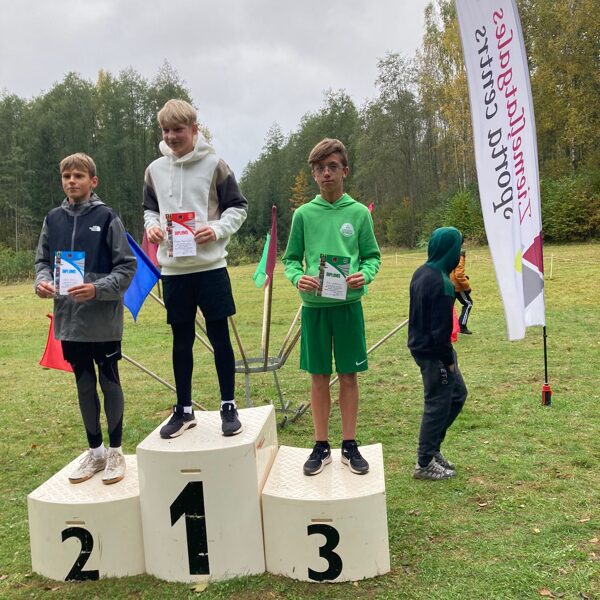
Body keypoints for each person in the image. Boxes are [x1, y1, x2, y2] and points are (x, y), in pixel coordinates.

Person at [143, 99, 248, 439]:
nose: (171, 136)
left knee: (220, 337)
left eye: (178, 130)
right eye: (166, 130)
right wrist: (152, 227)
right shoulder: (154, 170)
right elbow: (150, 210)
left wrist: (216, 230)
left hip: (210, 267)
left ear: (194, 129)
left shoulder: (215, 164)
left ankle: (228, 406)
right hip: (174, 270)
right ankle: (184, 410)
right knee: (181, 340)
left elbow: (238, 207)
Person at [35, 153, 136, 484]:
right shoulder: (53, 219)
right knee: (83, 384)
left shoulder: (107, 217)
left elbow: (127, 267)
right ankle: (96, 453)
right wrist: (42, 282)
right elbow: (42, 262)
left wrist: (96, 289)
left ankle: (116, 453)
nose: (71, 181)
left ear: (93, 181)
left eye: (78, 176)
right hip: (70, 321)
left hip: (103, 321)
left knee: (109, 381)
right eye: (66, 176)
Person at [283, 138, 381, 476]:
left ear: (344, 171)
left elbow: (372, 257)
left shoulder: (358, 213)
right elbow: (291, 259)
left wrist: (365, 274)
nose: (326, 173)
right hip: (314, 308)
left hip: (348, 306)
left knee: (349, 375)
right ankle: (321, 445)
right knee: (319, 376)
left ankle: (349, 445)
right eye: (320, 168)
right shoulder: (303, 215)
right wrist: (298, 278)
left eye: (332, 167)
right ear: (313, 174)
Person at [407, 226, 468, 480]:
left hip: (424, 347)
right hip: (434, 354)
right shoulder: (443, 284)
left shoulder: (420, 272)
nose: (460, 254)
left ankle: (432, 449)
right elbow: (440, 332)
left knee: (457, 395)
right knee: (438, 403)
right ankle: (424, 462)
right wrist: (448, 363)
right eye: (458, 249)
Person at [451, 249, 473, 334]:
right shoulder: (460, 257)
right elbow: (459, 274)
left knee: (448, 307)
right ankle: (462, 326)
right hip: (457, 287)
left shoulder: (451, 254)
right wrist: (467, 287)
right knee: (468, 303)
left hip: (450, 284)